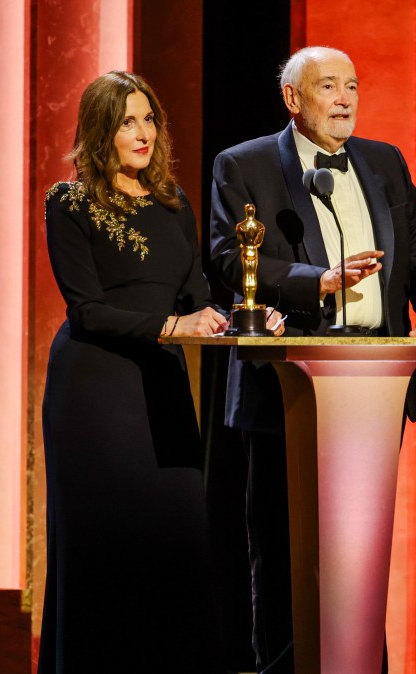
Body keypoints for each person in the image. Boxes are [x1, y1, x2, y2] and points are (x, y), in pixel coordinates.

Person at [208, 46, 416, 672]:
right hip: (286, 385)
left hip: (371, 383)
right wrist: (315, 281)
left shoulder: (385, 162)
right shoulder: (245, 165)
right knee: (286, 548)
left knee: (359, 551)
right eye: (328, 87)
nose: (345, 99)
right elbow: (231, 260)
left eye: (352, 86)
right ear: (293, 99)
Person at [40, 70, 282, 673]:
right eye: (127, 121)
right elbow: (87, 309)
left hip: (164, 389)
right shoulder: (69, 202)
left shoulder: (173, 204)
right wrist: (176, 329)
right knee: (105, 544)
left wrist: (248, 318)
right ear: (101, 130)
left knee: (173, 540)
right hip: (95, 395)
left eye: (149, 119)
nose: (143, 133)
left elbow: (196, 298)